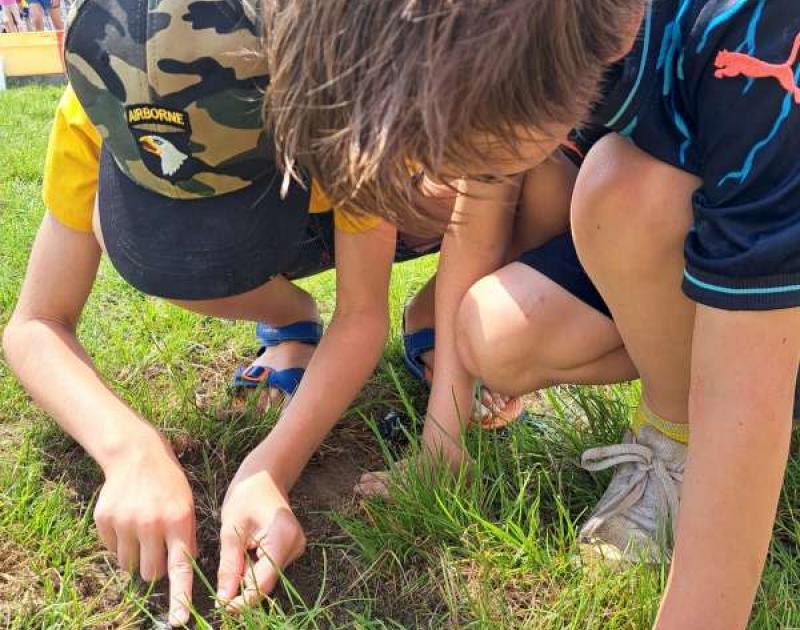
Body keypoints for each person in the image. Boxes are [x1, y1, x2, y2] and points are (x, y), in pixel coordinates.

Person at [2, 0, 581, 623]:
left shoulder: (336, 91)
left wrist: (271, 465)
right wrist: (126, 449)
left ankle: (438, 314)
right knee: (144, 248)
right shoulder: (97, 101)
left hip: (371, 186)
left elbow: (361, 314)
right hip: (298, 209)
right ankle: (289, 317)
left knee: (528, 177)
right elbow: (35, 324)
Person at [265, 1, 800, 628]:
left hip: (766, 230)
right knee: (493, 334)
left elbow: (743, 385)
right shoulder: (535, 32)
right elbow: (477, 220)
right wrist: (443, 440)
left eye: (451, 159)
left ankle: (682, 439)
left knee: (624, 188)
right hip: (702, 206)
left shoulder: (754, 35)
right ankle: (682, 406)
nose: (438, 182)